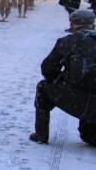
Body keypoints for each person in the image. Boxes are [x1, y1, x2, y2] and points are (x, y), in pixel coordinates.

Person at [29, 9, 96, 146]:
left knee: (43, 87)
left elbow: (47, 70)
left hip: (76, 99)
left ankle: (41, 134)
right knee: (90, 137)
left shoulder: (67, 42)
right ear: (93, 26)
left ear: (72, 26)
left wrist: (63, 79)